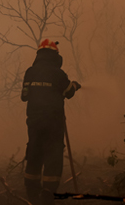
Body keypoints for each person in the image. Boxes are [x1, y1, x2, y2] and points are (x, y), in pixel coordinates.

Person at [21, 39, 81, 205]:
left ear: (39, 55)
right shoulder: (58, 74)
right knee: (53, 155)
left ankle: (32, 193)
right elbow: (68, 92)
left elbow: (24, 96)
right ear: (55, 56)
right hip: (53, 122)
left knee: (34, 152)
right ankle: (48, 193)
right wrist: (75, 85)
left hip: (33, 122)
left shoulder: (30, 72)